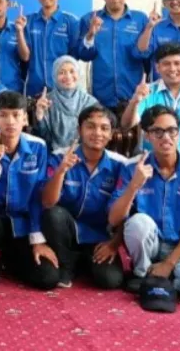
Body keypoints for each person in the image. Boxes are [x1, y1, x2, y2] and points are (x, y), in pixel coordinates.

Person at [108, 105, 180, 305]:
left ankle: (164, 277)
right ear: (147, 135)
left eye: (171, 130)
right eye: (157, 132)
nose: (166, 137)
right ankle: (142, 272)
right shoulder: (133, 167)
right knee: (138, 222)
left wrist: (169, 263)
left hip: (179, 246)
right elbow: (114, 219)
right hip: (148, 242)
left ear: (179, 133)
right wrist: (134, 185)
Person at [0, 91, 58, 289]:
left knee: (48, 278)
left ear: (25, 118)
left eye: (16, 115)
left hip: (23, 225)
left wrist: (37, 239)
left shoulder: (38, 147)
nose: (10, 121)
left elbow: (38, 195)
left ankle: (10, 259)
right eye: (3, 115)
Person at [39, 105, 127, 289]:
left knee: (110, 281)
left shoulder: (121, 165)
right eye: (90, 126)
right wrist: (61, 171)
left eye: (104, 128)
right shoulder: (60, 157)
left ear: (111, 134)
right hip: (64, 233)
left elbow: (127, 212)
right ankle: (66, 264)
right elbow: (47, 202)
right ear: (79, 130)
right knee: (54, 214)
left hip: (99, 237)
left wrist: (114, 243)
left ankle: (84, 261)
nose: (97, 133)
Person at [122, 42, 180, 158]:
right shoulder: (146, 91)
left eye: (177, 63)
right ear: (157, 68)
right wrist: (135, 101)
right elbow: (126, 125)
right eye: (166, 64)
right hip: (150, 159)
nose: (172, 69)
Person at [76, 0, 149, 114]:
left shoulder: (140, 19)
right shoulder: (90, 19)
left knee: (134, 129)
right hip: (101, 97)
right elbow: (84, 55)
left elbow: (145, 56)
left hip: (134, 95)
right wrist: (90, 34)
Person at [23, 0, 84, 96]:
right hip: (33, 89)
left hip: (62, 89)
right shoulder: (28, 21)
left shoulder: (71, 21)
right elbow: (24, 56)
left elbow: (74, 56)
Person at [33, 55, 99, 153]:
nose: (68, 76)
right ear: (54, 77)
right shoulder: (46, 101)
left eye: (72, 71)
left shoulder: (90, 102)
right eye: (62, 72)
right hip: (54, 154)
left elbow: (94, 134)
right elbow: (43, 137)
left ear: (78, 73)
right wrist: (40, 116)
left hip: (84, 154)